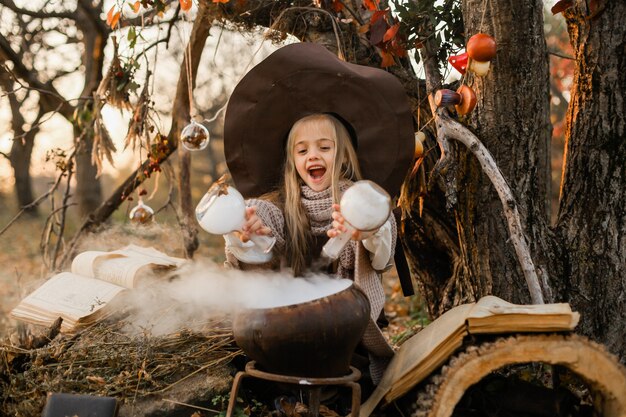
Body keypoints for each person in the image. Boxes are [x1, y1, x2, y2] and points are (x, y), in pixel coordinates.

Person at [220, 42, 416, 385]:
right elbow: (264, 225)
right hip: (287, 327)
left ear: (341, 155)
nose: (313, 156)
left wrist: (364, 230)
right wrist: (251, 232)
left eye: (324, 147)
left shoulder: (360, 201)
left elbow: (382, 251)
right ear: (293, 161)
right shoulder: (280, 206)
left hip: (348, 334)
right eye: (303, 149)